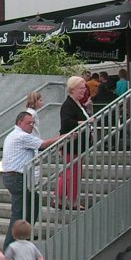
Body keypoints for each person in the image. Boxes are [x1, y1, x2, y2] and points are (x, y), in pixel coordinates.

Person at [1, 111, 63, 251]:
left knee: (32, 203)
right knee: (19, 212)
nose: (31, 126)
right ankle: (10, 247)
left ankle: (23, 236)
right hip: (17, 177)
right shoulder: (21, 136)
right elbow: (43, 144)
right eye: (28, 123)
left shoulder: (14, 135)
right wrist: (65, 136)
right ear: (19, 123)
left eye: (33, 123)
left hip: (15, 177)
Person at [57, 76, 92, 210]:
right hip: (71, 145)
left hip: (78, 145)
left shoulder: (78, 104)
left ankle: (60, 198)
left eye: (84, 88)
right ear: (73, 89)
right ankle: (71, 200)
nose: (84, 91)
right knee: (72, 173)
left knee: (71, 172)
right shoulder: (68, 105)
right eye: (81, 88)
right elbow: (66, 122)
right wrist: (81, 123)